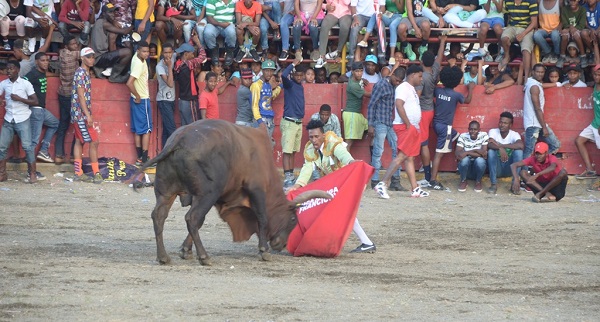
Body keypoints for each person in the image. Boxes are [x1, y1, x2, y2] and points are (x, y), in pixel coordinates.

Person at [288, 119, 377, 253]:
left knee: (343, 211)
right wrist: (297, 186)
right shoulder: (310, 150)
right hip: (334, 187)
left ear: (323, 135)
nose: (314, 140)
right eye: (311, 137)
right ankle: (364, 242)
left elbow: (344, 156)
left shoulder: (333, 143)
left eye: (316, 136)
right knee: (338, 212)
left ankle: (366, 242)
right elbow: (307, 169)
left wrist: (353, 162)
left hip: (349, 183)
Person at [374, 65, 430, 198]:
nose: (421, 79)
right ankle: (382, 183)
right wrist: (408, 124)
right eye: (420, 76)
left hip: (410, 126)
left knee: (408, 157)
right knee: (402, 156)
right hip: (406, 127)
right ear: (412, 75)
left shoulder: (409, 88)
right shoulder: (404, 88)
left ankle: (415, 188)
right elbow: (399, 105)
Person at [428, 66, 475, 191]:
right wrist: (470, 88)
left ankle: (461, 159)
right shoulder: (456, 95)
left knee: (459, 138)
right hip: (446, 128)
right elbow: (468, 100)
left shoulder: (437, 91)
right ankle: (433, 180)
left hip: (437, 124)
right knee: (439, 154)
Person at [366, 62, 404, 190]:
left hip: (390, 123)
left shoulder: (396, 86)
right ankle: (375, 181)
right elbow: (372, 105)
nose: (398, 83)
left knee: (397, 150)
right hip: (381, 122)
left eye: (400, 81)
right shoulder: (381, 85)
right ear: (393, 76)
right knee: (378, 152)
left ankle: (395, 181)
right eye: (397, 80)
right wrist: (370, 124)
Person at [0, 60, 39, 183]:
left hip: (23, 118)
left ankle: (32, 173)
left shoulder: (25, 84)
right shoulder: (3, 84)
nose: (9, 71)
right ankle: (2, 174)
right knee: (2, 147)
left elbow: (35, 101)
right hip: (9, 118)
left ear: (17, 69)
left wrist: (19, 99)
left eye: (11, 68)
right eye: (7, 69)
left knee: (27, 147)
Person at [416, 35, 445, 187]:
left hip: (422, 111)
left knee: (423, 144)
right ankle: (427, 172)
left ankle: (427, 175)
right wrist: (443, 42)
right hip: (430, 110)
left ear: (421, 62)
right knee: (423, 143)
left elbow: (418, 95)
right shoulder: (434, 71)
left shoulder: (422, 78)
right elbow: (439, 58)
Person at [24, 52, 58, 175]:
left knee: (55, 123)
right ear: (37, 62)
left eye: (47, 60)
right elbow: (22, 82)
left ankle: (43, 150)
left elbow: (45, 75)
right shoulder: (32, 74)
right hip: (35, 110)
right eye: (43, 60)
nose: (46, 63)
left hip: (42, 110)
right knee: (33, 141)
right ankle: (31, 171)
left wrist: (55, 74)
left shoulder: (41, 72)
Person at [71, 47, 102, 183]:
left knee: (79, 141)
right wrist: (88, 115)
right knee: (94, 141)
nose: (92, 59)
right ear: (82, 58)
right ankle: (96, 173)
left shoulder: (83, 72)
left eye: (93, 56)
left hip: (77, 113)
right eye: (89, 57)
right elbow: (81, 95)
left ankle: (78, 172)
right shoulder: (81, 73)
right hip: (81, 114)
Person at [523, 64, 561, 158]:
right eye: (538, 72)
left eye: (542, 72)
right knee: (529, 150)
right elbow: (537, 108)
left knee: (555, 145)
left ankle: (536, 164)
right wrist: (544, 127)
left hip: (537, 122)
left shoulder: (533, 83)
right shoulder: (534, 86)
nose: (540, 74)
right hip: (533, 123)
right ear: (533, 72)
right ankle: (524, 171)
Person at [89, 3, 134, 83]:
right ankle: (114, 76)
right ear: (103, 13)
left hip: (99, 56)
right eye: (110, 12)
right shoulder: (103, 23)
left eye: (113, 12)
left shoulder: (102, 22)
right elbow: (124, 32)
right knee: (128, 52)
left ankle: (113, 71)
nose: (113, 15)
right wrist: (133, 25)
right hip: (99, 58)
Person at [498, 0, 538, 81]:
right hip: (512, 27)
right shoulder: (508, 1)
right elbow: (508, 17)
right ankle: (506, 56)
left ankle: (527, 76)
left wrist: (523, 34)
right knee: (504, 38)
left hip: (527, 28)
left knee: (526, 50)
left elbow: (534, 23)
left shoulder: (531, 1)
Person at [126, 42, 152, 166]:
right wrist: (137, 96)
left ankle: (139, 158)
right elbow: (129, 83)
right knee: (146, 130)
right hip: (142, 99)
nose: (146, 54)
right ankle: (145, 159)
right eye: (144, 51)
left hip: (135, 99)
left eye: (147, 51)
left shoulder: (136, 58)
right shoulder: (138, 64)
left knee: (137, 130)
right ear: (138, 51)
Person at [281, 58, 305, 188]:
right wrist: (293, 64)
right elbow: (283, 75)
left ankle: (290, 174)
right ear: (293, 75)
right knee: (287, 151)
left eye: (301, 75)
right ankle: (287, 178)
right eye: (297, 75)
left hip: (298, 122)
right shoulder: (289, 84)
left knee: (293, 151)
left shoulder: (300, 86)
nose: (299, 77)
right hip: (290, 122)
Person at [55, 35, 80, 165]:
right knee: (77, 125)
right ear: (67, 46)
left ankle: (58, 155)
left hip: (62, 93)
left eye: (76, 43)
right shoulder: (72, 56)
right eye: (73, 44)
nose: (75, 45)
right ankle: (72, 155)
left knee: (63, 125)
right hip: (72, 95)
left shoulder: (62, 53)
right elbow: (87, 55)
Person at [487, 112, 524, 194]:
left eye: (505, 123)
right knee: (491, 152)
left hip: (510, 168)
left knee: (519, 152)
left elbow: (520, 145)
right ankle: (493, 184)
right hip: (497, 168)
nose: (502, 125)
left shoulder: (514, 134)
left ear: (510, 125)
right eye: (500, 122)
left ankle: (514, 184)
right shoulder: (493, 131)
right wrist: (500, 148)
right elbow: (489, 144)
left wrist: (502, 146)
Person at [574, 65, 600, 180]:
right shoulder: (595, 85)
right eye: (595, 74)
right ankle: (590, 170)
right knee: (579, 140)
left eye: (599, 75)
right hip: (595, 123)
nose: (596, 77)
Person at [174, 43, 207, 126]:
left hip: (182, 100)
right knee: (194, 126)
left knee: (184, 127)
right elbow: (202, 56)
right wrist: (199, 43)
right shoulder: (189, 64)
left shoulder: (177, 64)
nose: (193, 55)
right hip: (189, 100)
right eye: (192, 53)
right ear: (185, 54)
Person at [251, 59, 282, 145]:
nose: (269, 73)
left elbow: (270, 97)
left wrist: (280, 87)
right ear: (262, 70)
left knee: (266, 147)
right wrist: (260, 121)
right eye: (267, 71)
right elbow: (254, 106)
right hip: (261, 119)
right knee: (261, 147)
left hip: (269, 119)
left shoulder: (268, 84)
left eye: (271, 71)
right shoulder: (256, 85)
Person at [313, 0, 351, 68]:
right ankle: (322, 56)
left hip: (346, 13)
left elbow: (348, 2)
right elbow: (316, 3)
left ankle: (337, 52)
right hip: (332, 13)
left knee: (345, 27)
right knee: (324, 26)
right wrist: (326, 6)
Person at [343, 61, 371, 151]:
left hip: (356, 114)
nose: (359, 73)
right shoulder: (353, 85)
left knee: (371, 129)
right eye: (357, 71)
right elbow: (368, 94)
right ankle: (345, 163)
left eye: (361, 71)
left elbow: (358, 80)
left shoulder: (354, 79)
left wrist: (362, 80)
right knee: (349, 142)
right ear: (352, 71)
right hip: (351, 114)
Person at [455, 120, 488, 192]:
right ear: (468, 129)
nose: (473, 131)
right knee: (464, 160)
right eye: (471, 129)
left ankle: (478, 181)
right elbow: (458, 154)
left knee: (480, 161)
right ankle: (463, 180)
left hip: (477, 167)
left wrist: (467, 152)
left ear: (479, 130)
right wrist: (477, 151)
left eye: (475, 129)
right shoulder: (463, 136)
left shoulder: (484, 135)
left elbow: (484, 153)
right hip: (466, 168)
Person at [156, 43, 176, 148]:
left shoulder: (174, 57)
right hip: (163, 100)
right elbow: (170, 83)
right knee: (172, 129)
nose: (168, 55)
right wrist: (169, 67)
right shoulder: (159, 66)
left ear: (172, 52)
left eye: (169, 52)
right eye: (165, 52)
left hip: (171, 99)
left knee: (166, 129)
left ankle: (164, 153)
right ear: (162, 53)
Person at [204, 0, 237, 66]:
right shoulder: (212, 1)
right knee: (208, 32)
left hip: (228, 24)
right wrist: (220, 24)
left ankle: (229, 52)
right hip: (214, 24)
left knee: (231, 32)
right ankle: (213, 51)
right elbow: (209, 18)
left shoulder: (234, 1)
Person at [557, 0, 588, 68]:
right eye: (571, 1)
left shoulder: (582, 9)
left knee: (576, 35)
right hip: (568, 29)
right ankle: (562, 56)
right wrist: (569, 28)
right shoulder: (565, 9)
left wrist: (574, 29)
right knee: (564, 35)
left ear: (578, 1)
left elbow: (582, 25)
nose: (572, 3)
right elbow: (564, 23)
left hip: (578, 29)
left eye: (574, 1)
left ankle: (583, 56)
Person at [533, 0, 560, 64]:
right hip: (543, 29)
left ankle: (556, 54)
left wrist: (558, 28)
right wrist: (536, 28)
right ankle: (548, 52)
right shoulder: (539, 1)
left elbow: (562, 18)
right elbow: (535, 16)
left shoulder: (559, 2)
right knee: (536, 35)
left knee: (555, 35)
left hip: (555, 29)